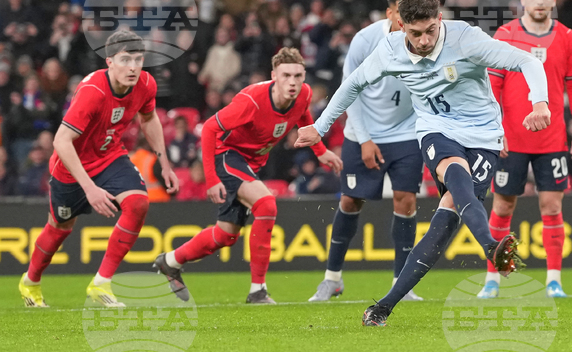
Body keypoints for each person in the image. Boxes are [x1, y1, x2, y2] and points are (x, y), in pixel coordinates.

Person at [295, 0, 551, 327]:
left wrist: (540, 102)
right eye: (415, 33)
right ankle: (490, 244)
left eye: (431, 30)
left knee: (443, 225)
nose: (425, 40)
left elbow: (526, 60)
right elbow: (353, 84)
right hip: (435, 128)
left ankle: (383, 307)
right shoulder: (388, 50)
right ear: (400, 25)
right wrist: (320, 127)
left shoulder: (465, 39)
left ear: (440, 19)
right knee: (453, 170)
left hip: (484, 135)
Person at [153, 48, 342, 305]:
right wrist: (212, 180)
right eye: (286, 75)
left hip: (251, 163)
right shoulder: (252, 100)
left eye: (298, 75)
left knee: (225, 235)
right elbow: (209, 128)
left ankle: (170, 261)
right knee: (266, 204)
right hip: (226, 155)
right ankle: (258, 291)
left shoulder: (304, 95)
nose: (293, 82)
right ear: (274, 75)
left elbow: (303, 117)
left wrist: (320, 151)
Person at [19, 29, 178, 308]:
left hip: (109, 157)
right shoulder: (92, 91)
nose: (133, 67)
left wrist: (164, 163)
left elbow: (149, 118)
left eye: (138, 59)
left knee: (139, 203)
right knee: (59, 228)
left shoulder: (146, 84)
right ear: (109, 62)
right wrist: (90, 188)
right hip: (71, 167)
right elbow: (61, 141)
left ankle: (101, 283)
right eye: (125, 59)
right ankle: (30, 281)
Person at [310, 0, 425, 303]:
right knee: (350, 201)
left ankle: (402, 284)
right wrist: (365, 140)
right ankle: (332, 279)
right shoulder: (364, 41)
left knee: (406, 200)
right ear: (390, 13)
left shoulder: (425, 38)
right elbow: (350, 91)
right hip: (363, 131)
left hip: (406, 132)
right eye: (403, 12)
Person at [479, 0, 572, 299]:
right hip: (511, 137)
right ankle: (492, 279)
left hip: (551, 138)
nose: (539, 1)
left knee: (552, 207)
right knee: (502, 206)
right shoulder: (505, 34)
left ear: (554, 0)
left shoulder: (567, 36)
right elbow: (492, 87)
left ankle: (554, 280)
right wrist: (495, 130)